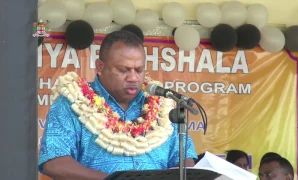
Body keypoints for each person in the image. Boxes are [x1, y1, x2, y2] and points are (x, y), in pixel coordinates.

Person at [38, 30, 197, 180]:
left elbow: (185, 161)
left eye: (139, 70)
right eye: (123, 70)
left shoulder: (163, 107)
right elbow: (55, 162)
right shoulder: (73, 103)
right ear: (100, 67)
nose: (133, 78)